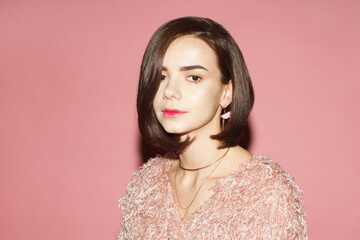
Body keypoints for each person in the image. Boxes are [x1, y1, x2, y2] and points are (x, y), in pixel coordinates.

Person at [118, 16, 307, 239]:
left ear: (226, 92)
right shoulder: (147, 185)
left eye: (193, 77)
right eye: (161, 76)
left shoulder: (264, 193)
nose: (170, 91)